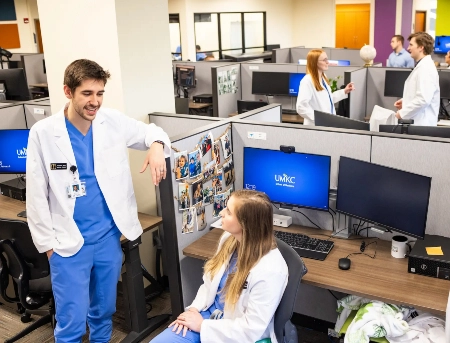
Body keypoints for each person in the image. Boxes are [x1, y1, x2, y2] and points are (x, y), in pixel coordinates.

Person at [26, 59, 171, 342]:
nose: (95, 102)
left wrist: (156, 146)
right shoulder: (43, 133)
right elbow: (36, 196)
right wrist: (48, 246)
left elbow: (153, 131)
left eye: (100, 93)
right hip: (67, 245)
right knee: (72, 324)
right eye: (87, 94)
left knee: (103, 314)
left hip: (107, 240)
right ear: (68, 92)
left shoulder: (111, 122)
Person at [151, 190, 288, 343]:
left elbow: (250, 330)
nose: (221, 213)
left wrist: (203, 326)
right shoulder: (229, 239)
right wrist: (194, 309)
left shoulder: (270, 271)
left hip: (234, 332)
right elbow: (209, 285)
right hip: (207, 315)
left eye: (228, 212)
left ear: (245, 224)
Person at [296, 49, 355, 126]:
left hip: (327, 123)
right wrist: (318, 118)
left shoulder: (323, 78)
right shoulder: (307, 81)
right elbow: (301, 107)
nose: (328, 62)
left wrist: (344, 91)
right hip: (316, 126)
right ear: (315, 62)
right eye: (324, 60)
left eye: (327, 59)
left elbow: (328, 99)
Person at [394, 32, 440, 126]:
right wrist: (406, 101)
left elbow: (423, 100)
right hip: (418, 122)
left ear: (421, 47)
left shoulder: (426, 68)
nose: (408, 48)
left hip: (422, 124)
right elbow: (422, 93)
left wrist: (402, 113)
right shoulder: (422, 65)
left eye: (411, 45)